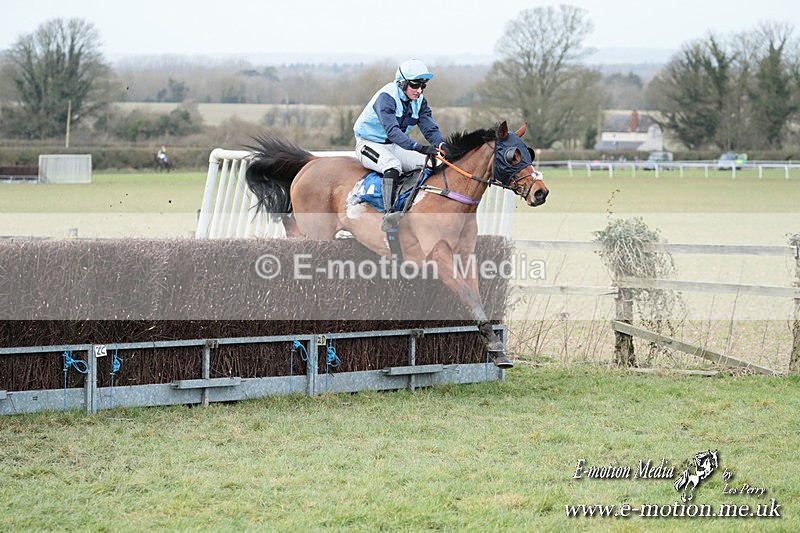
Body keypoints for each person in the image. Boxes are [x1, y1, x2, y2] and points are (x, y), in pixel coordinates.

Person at [353, 59, 445, 231]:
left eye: (423, 86)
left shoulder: (420, 101)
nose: (419, 90)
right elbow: (393, 131)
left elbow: (430, 128)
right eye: (415, 85)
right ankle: (389, 215)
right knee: (392, 165)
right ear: (402, 83)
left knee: (430, 163)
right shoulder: (386, 97)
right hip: (368, 143)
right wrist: (418, 147)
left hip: (393, 145)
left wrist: (443, 145)